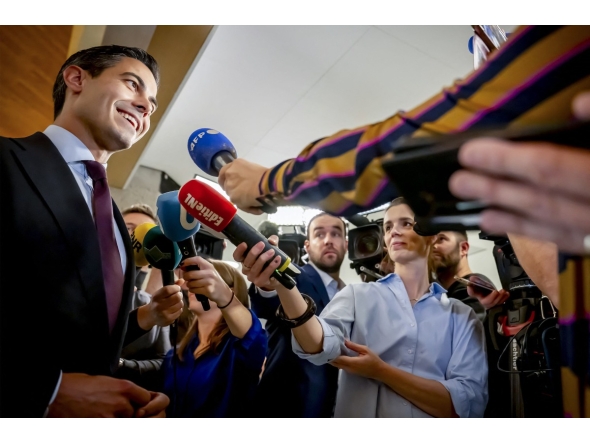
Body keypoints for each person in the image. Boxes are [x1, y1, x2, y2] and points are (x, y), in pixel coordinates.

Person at [0, 45, 177, 417]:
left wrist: (130, 400)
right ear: (77, 79)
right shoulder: (6, 160)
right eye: (133, 84)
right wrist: (48, 392)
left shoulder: (113, 218)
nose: (146, 105)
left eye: (153, 103)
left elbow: (83, 332)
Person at [237, 198, 488, 417]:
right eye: (388, 227)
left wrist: (382, 371)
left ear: (432, 236)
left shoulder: (460, 315)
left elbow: (466, 405)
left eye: (406, 224)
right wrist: (284, 284)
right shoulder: (357, 296)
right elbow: (319, 343)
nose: (394, 232)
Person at [251, 212, 347, 417]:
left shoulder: (351, 295)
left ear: (346, 244)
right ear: (307, 245)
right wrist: (268, 285)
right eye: (320, 235)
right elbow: (266, 304)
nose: (329, 240)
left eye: (336, 234)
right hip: (283, 408)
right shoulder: (294, 277)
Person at [162, 256, 267, 417]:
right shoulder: (177, 354)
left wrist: (223, 297)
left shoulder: (238, 349)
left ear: (230, 290)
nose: (191, 286)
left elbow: (253, 337)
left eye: (202, 279)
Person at [117, 204, 178, 391]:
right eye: (128, 228)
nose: (136, 237)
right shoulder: (79, 282)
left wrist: (120, 365)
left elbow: (164, 363)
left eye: (147, 234)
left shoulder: (153, 304)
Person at [431, 230, 495, 322]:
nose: (433, 246)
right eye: (430, 242)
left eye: (441, 239)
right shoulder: (442, 292)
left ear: (463, 248)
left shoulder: (474, 289)